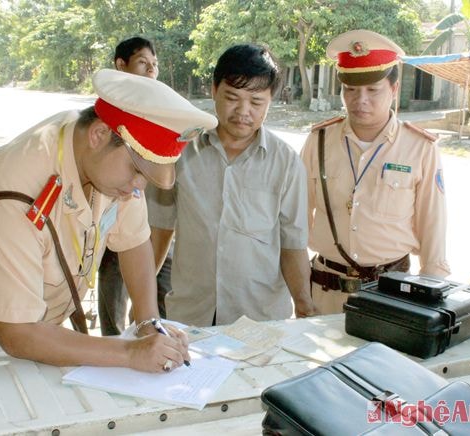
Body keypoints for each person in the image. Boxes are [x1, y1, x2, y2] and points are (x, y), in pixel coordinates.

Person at [0, 68, 218, 372]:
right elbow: (18, 334)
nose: (139, 187)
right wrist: (130, 353)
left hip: (45, 336)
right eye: (137, 171)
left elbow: (134, 240)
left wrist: (148, 322)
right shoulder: (11, 195)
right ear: (99, 134)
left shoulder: (102, 159)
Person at [147, 44, 316, 327]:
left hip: (258, 320)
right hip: (191, 315)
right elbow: (159, 229)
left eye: (256, 102)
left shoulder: (286, 163)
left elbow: (293, 244)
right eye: (232, 97)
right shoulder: (180, 151)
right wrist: (142, 303)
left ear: (270, 100)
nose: (243, 111)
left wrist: (305, 308)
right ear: (214, 90)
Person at [301, 29, 450, 314]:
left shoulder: (421, 148)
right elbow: (296, 224)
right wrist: (300, 298)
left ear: (394, 89)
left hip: (392, 297)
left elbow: (433, 231)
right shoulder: (319, 141)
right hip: (324, 294)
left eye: (373, 90)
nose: (360, 100)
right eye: (351, 90)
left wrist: (429, 302)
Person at [97, 36, 173, 336]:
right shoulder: (105, 116)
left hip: (159, 233)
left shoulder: (168, 114)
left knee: (157, 311)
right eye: (143, 63)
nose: (151, 70)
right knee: (113, 310)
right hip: (116, 231)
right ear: (120, 65)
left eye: (154, 65)